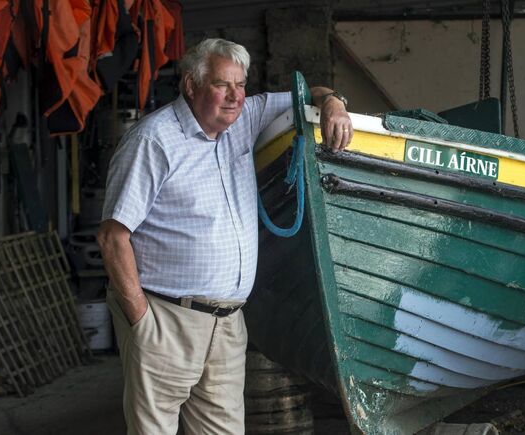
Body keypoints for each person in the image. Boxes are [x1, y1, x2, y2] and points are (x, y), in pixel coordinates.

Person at [97, 38, 353, 435]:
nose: (235, 96)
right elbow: (113, 238)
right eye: (221, 85)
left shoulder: (245, 118)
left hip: (228, 324)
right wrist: (142, 321)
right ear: (190, 86)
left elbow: (311, 94)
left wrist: (335, 104)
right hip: (167, 317)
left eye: (241, 84)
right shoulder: (154, 141)